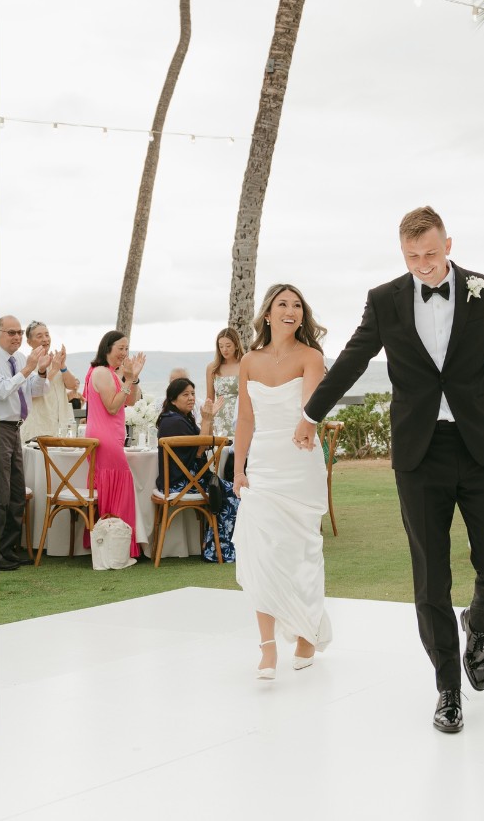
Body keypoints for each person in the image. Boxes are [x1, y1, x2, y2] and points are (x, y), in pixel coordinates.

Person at [294, 205, 484, 734]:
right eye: (412, 256)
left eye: (431, 253)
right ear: (401, 253)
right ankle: (448, 690)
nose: (423, 264)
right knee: (431, 577)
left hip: (479, 448)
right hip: (418, 454)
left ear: (448, 245)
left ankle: (478, 622)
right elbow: (354, 358)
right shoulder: (385, 300)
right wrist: (312, 412)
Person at [233, 284, 332, 681]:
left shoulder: (312, 357)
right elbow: (245, 419)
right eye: (282, 304)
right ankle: (267, 648)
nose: (290, 311)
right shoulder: (249, 361)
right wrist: (238, 470)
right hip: (262, 467)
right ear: (268, 314)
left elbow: (311, 407)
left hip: (299, 461)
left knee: (301, 552)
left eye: (297, 306)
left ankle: (308, 631)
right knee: (260, 551)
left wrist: (305, 425)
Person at [82, 331, 146, 559]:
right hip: (104, 438)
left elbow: (129, 401)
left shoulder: (112, 373)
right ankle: (116, 546)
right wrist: (128, 380)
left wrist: (133, 378)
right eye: (121, 348)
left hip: (112, 437)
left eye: (127, 348)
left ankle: (114, 544)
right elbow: (111, 406)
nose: (124, 353)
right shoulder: (100, 372)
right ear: (107, 347)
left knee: (118, 487)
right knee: (120, 487)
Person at [0, 314, 52, 571]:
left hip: (15, 429)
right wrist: (28, 369)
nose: (17, 337)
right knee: (1, 494)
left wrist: (40, 370)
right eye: (11, 332)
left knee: (17, 493)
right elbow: (0, 392)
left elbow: (37, 391)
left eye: (19, 332)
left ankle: (9, 551)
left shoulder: (21, 360)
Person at [155, 377, 215, 492]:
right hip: (183, 484)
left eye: (193, 394)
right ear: (173, 400)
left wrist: (209, 419)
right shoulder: (175, 422)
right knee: (236, 494)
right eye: (185, 395)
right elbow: (200, 451)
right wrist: (206, 420)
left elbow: (206, 444)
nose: (191, 398)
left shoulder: (181, 418)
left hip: (182, 482)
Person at [21, 321, 78, 442]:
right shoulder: (27, 364)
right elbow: (33, 392)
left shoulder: (55, 360)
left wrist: (62, 366)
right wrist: (53, 371)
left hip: (61, 427)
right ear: (29, 342)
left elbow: (73, 385)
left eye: (47, 335)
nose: (45, 339)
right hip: (39, 427)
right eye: (39, 336)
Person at [206, 328, 245, 439]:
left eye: (228, 346)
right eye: (221, 346)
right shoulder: (212, 368)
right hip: (220, 420)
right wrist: (208, 423)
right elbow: (209, 399)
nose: (224, 350)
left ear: (236, 345)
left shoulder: (245, 364)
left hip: (241, 417)